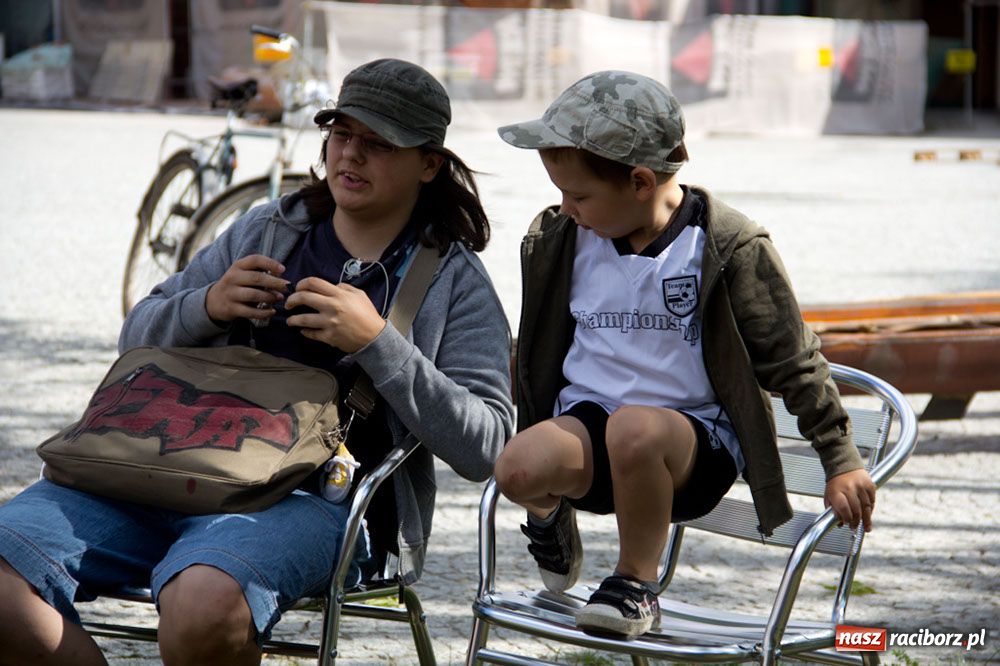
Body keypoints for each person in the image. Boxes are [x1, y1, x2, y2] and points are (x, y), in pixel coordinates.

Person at [0, 58, 514, 665]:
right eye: (342, 134)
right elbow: (134, 335)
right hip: (161, 470)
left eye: (379, 144)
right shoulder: (268, 228)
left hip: (320, 502)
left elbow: (487, 445)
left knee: (201, 604)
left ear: (429, 163)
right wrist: (207, 306)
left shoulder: (454, 279)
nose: (351, 156)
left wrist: (378, 343)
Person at [492, 70, 877, 639]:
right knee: (516, 468)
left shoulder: (726, 246)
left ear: (642, 182)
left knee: (635, 430)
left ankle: (635, 586)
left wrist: (840, 458)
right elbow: (540, 347)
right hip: (594, 432)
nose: (567, 208)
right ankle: (553, 523)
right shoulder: (565, 239)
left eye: (579, 196)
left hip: (691, 448)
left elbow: (793, 358)